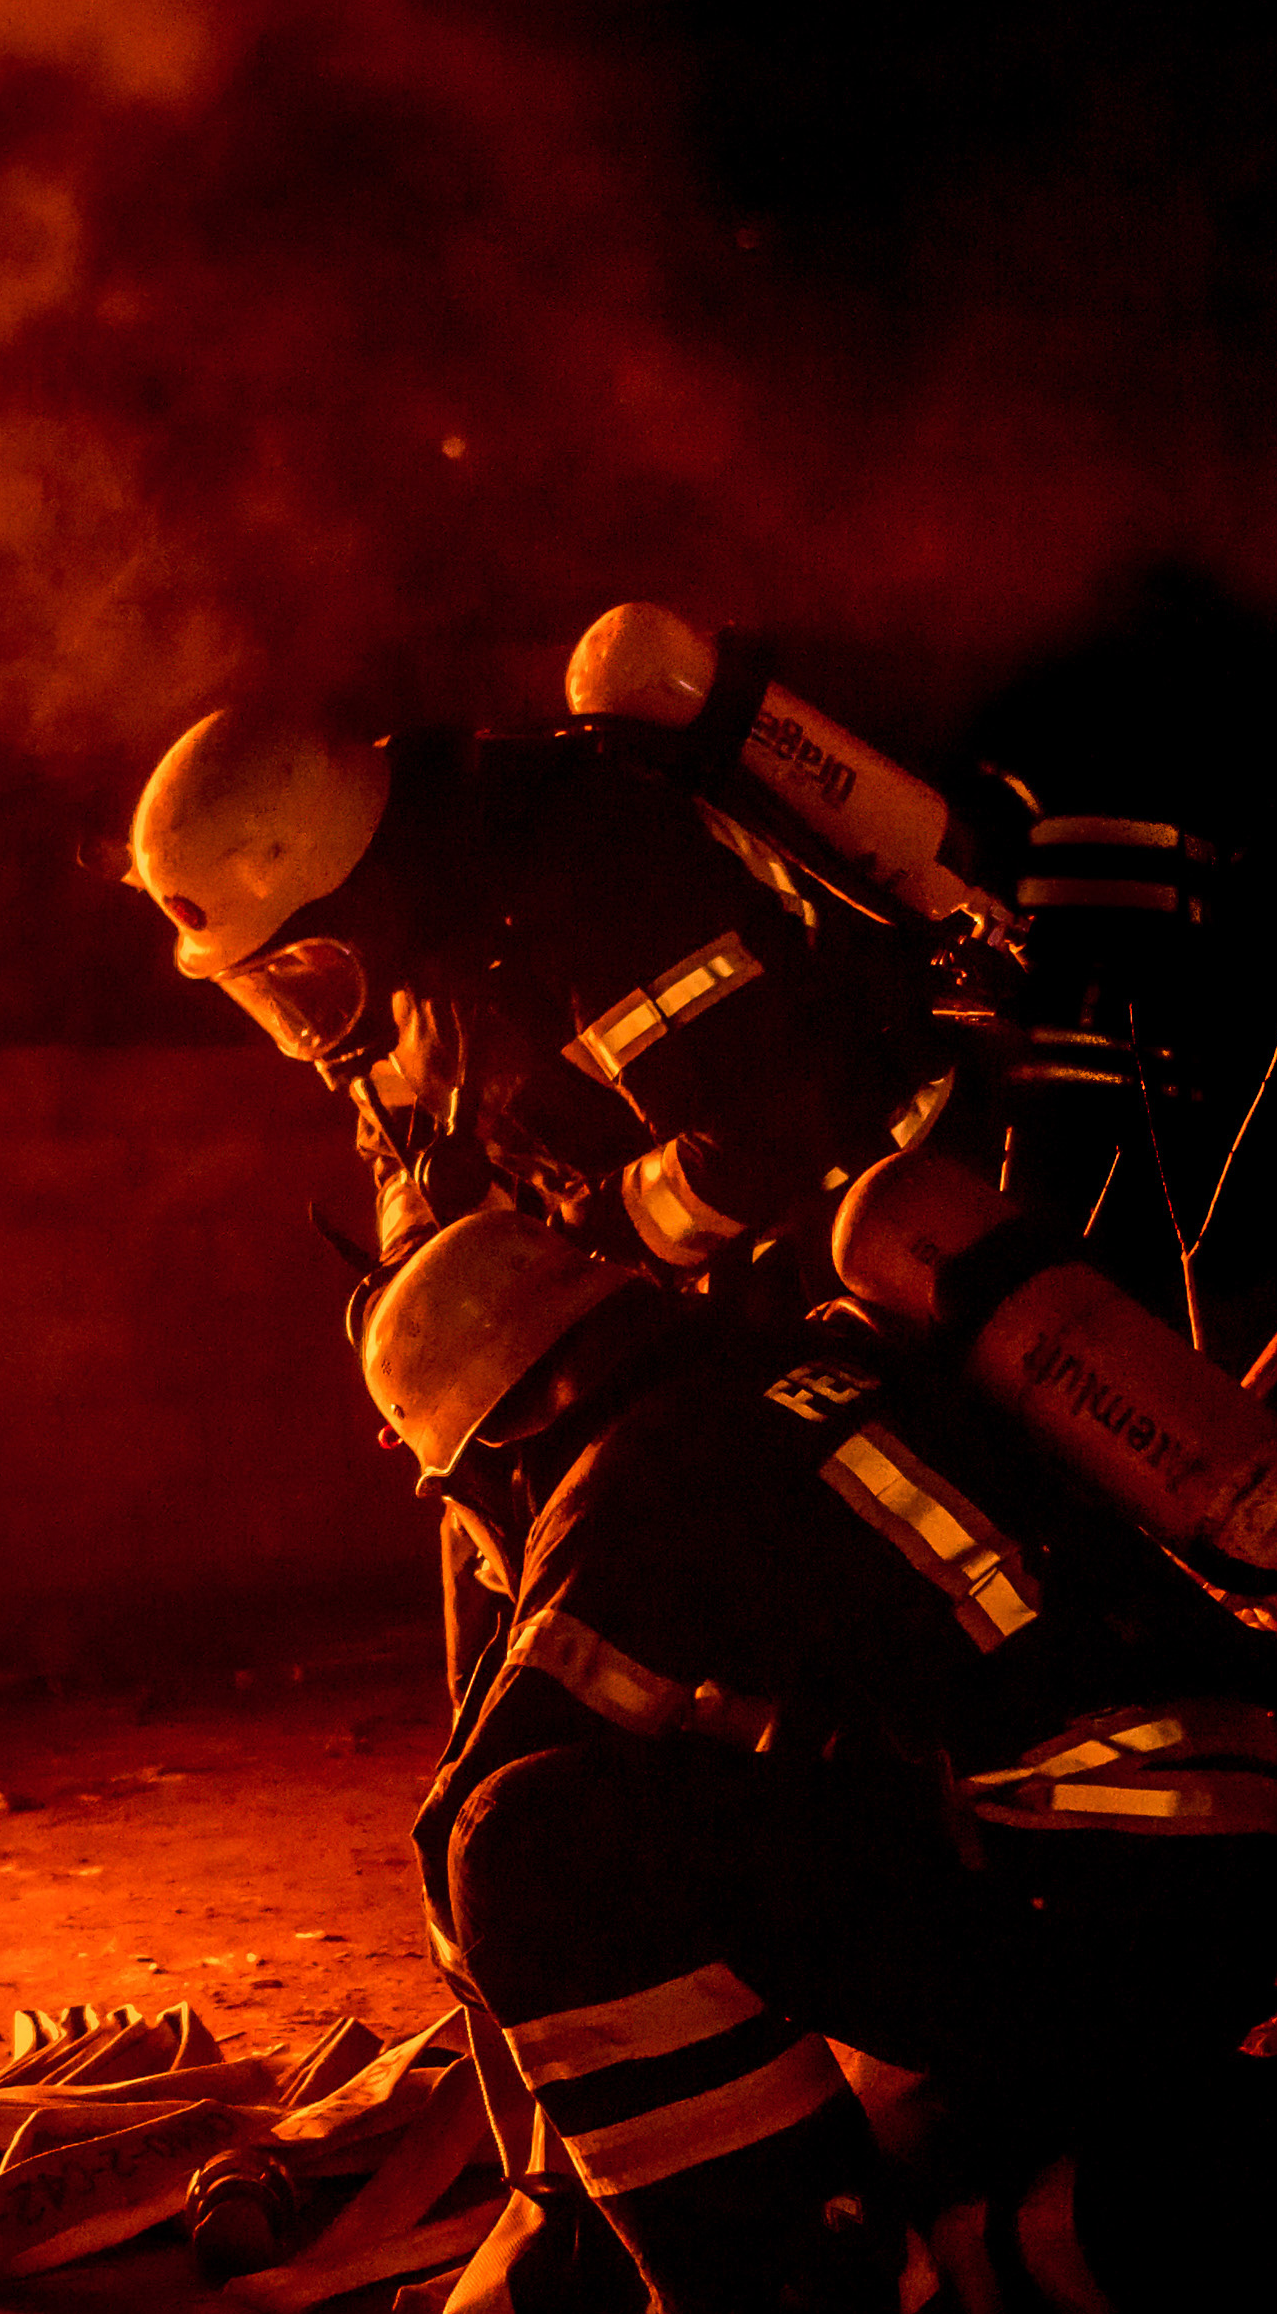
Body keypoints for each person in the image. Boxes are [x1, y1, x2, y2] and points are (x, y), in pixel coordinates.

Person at [358, 1209, 1277, 2314]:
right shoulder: (818, 1365)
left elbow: (481, 1822)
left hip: (1069, 1903)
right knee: (926, 2202)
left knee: (528, 1843)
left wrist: (586, 2202)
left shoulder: (631, 1478)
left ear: (504, 1426)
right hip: (1193, 1887)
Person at [128, 701, 956, 1697]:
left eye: (294, 963)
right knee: (484, 1501)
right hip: (639, 1318)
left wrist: (564, 1262)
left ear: (347, 880)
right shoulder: (411, 955)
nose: (296, 1002)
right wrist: (418, 1302)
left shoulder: (588, 877)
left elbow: (764, 1131)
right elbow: (407, 1156)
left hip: (819, 1264)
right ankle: (500, 1789)